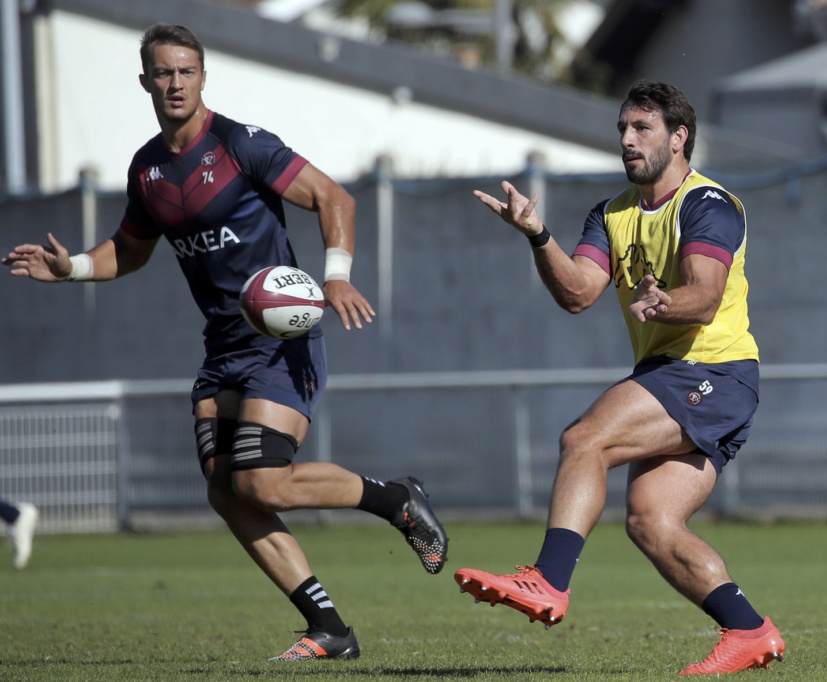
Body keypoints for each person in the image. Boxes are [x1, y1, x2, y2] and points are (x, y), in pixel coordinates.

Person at [3, 24, 447, 662]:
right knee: (223, 489)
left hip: (280, 340)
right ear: (146, 81)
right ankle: (330, 630)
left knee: (262, 484)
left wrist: (337, 276)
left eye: (186, 71)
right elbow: (129, 250)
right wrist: (69, 267)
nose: (175, 82)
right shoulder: (147, 169)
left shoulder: (241, 145)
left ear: (203, 76)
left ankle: (396, 498)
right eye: (163, 73)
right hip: (222, 350)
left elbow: (332, 196)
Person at [455, 81, 784, 675]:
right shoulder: (611, 213)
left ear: (678, 137)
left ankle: (549, 581)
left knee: (585, 439)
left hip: (714, 371)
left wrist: (667, 301)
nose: (628, 141)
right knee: (650, 520)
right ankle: (749, 630)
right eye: (622, 130)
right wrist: (538, 235)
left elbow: (706, 297)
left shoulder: (707, 204)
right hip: (670, 374)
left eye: (642, 129)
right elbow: (579, 292)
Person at [1, 497, 38, 570]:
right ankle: (19, 563)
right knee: (18, 544)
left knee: (22, 547)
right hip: (21, 514)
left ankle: (19, 563)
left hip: (22, 517)